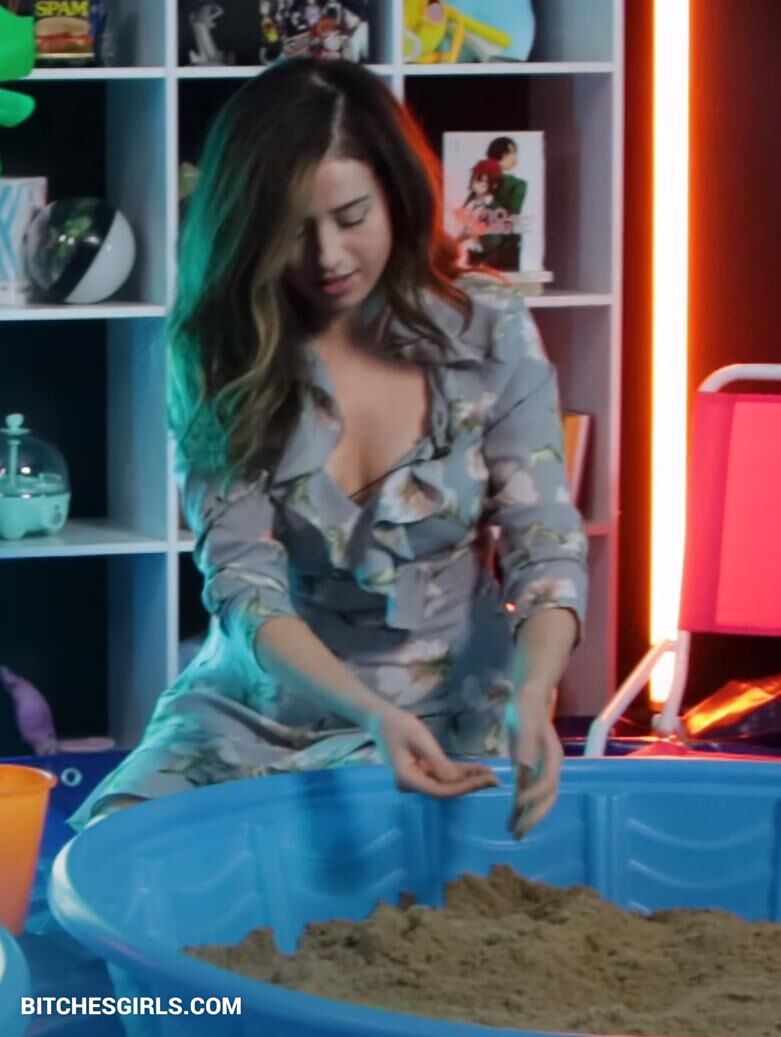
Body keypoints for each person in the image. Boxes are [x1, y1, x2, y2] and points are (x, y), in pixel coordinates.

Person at [68, 58, 587, 838]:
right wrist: (369, 713)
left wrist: (534, 690)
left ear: (396, 195)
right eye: (290, 229)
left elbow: (544, 547)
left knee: (363, 857)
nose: (327, 257)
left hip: (449, 705)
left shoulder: (490, 327)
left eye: (351, 216)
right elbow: (243, 586)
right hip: (262, 700)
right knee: (117, 842)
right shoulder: (219, 350)